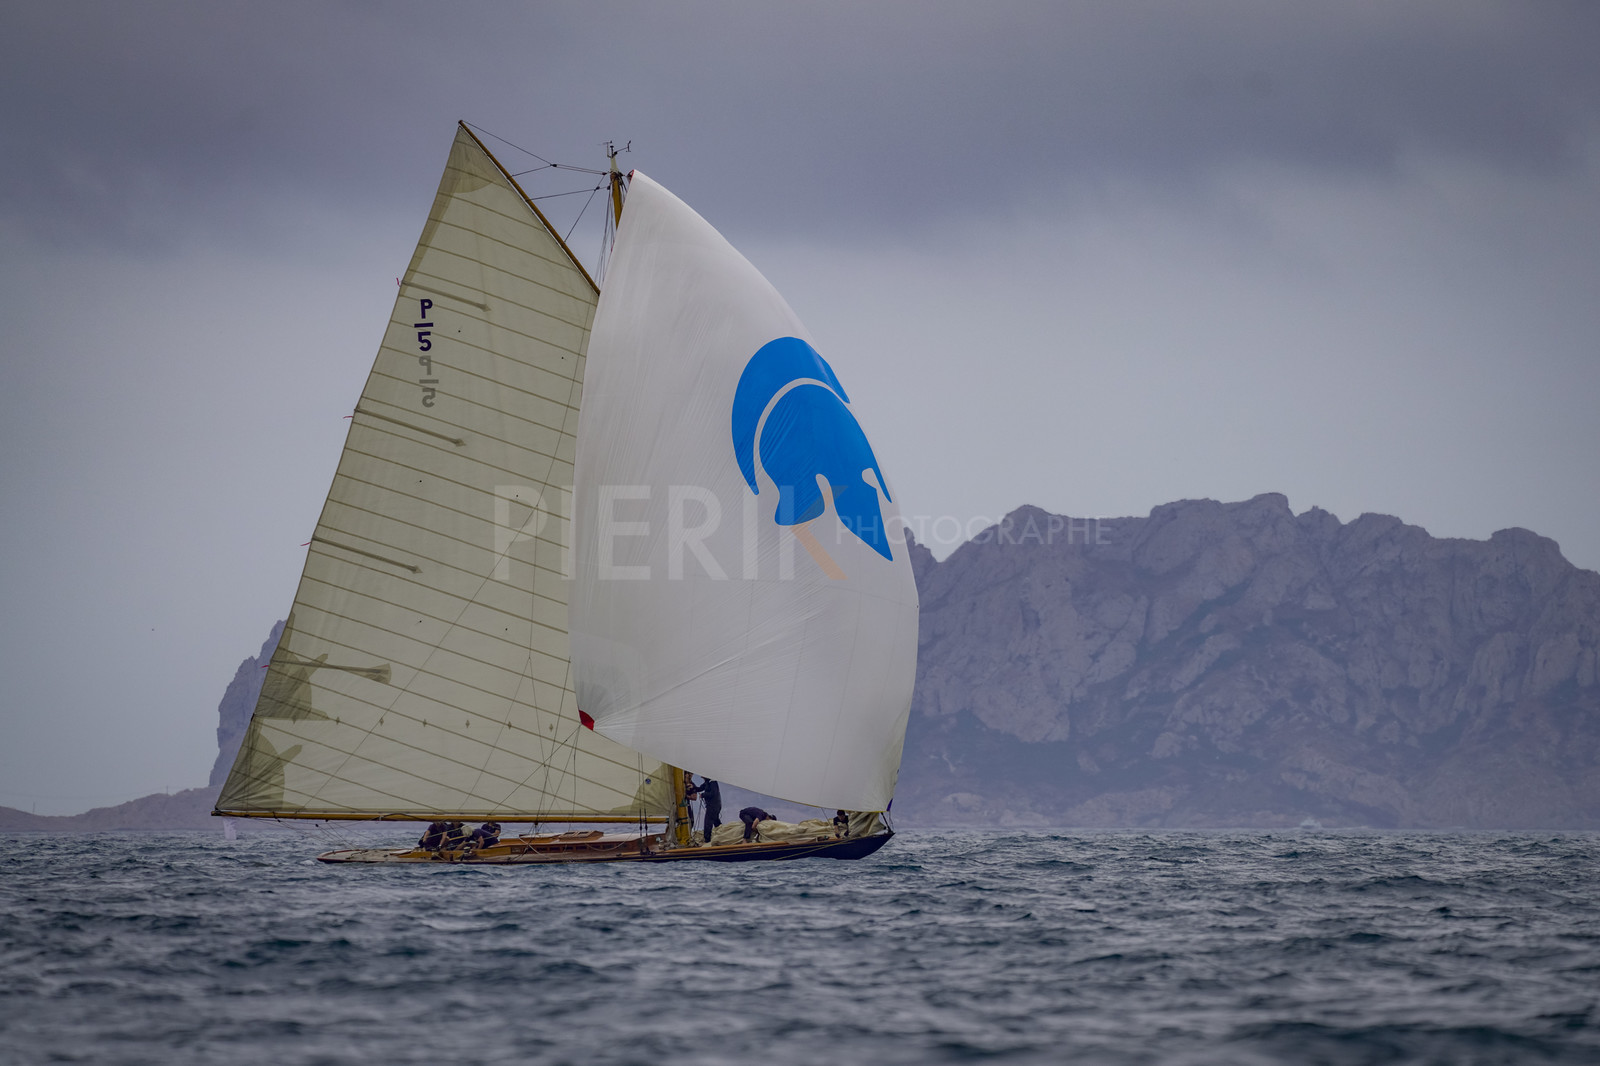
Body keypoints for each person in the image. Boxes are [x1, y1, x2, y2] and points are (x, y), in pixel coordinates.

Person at [686, 777, 722, 845]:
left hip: (714, 806)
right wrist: (693, 787)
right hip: (712, 806)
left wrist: (703, 795)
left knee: (708, 822)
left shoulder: (712, 782)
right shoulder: (707, 782)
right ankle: (722, 834)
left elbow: (713, 793)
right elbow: (699, 789)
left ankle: (707, 840)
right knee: (716, 821)